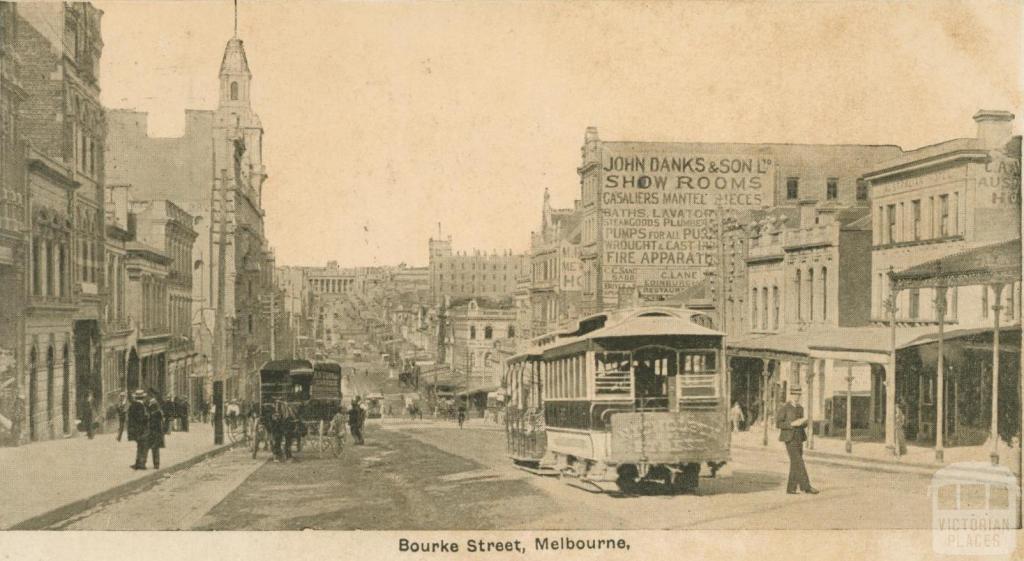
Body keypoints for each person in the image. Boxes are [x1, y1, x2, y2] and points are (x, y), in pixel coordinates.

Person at [776, 389, 818, 495]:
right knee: (799, 461)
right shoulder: (784, 408)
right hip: (789, 438)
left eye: (798, 395)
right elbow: (779, 424)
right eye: (795, 395)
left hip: (799, 437)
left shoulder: (800, 408)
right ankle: (806, 487)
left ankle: (791, 488)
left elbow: (802, 424)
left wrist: (804, 423)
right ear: (790, 395)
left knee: (795, 463)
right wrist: (792, 424)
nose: (797, 397)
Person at [128, 390, 150, 470]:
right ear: (143, 398)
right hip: (142, 429)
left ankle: (137, 463)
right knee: (144, 446)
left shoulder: (132, 405)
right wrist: (147, 417)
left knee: (139, 446)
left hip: (135, 429)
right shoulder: (141, 406)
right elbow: (141, 418)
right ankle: (142, 463)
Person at [145, 396, 165, 469]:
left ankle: (156, 464)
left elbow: (159, 423)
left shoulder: (157, 413)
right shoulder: (152, 412)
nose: (151, 407)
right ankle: (155, 463)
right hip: (152, 432)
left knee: (155, 448)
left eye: (152, 405)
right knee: (153, 448)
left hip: (156, 433)